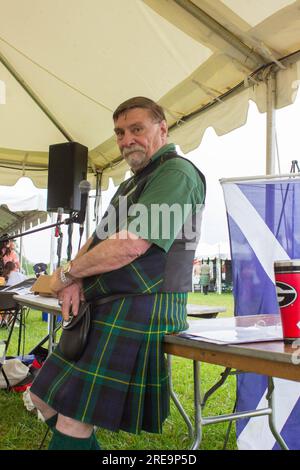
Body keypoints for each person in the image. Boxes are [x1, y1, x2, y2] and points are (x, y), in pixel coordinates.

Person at [30, 96, 206, 450]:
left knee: (72, 417)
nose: (126, 140)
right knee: (42, 397)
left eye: (136, 129)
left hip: (145, 305)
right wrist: (74, 276)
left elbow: (131, 245)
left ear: (162, 129)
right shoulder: (131, 184)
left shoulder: (176, 173)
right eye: (120, 133)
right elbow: (97, 239)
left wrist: (64, 277)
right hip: (109, 302)